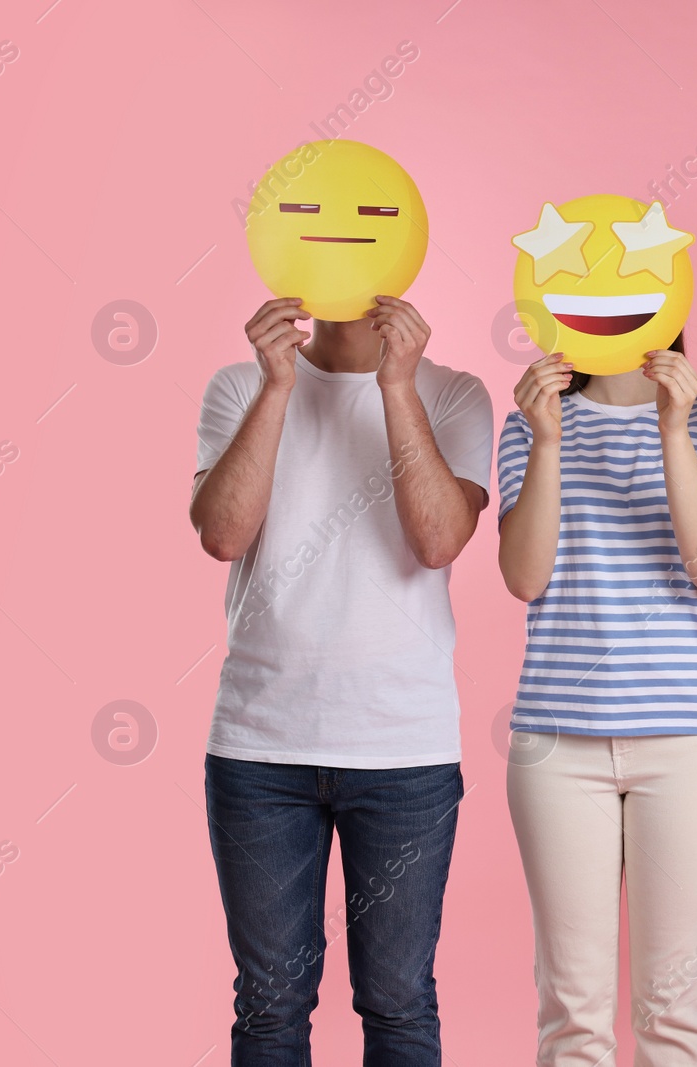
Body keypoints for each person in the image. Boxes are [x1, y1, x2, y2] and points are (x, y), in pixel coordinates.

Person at [191, 295, 492, 1064]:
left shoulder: (453, 392)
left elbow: (436, 539)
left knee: (397, 1000)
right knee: (269, 1005)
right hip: (260, 751)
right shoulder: (239, 385)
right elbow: (222, 533)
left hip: (404, 754)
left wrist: (397, 387)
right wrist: (277, 387)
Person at [497, 335, 697, 1067]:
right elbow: (523, 576)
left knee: (673, 1011)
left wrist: (673, 428)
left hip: (689, 740)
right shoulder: (528, 419)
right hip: (556, 743)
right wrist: (546, 440)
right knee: (572, 1014)